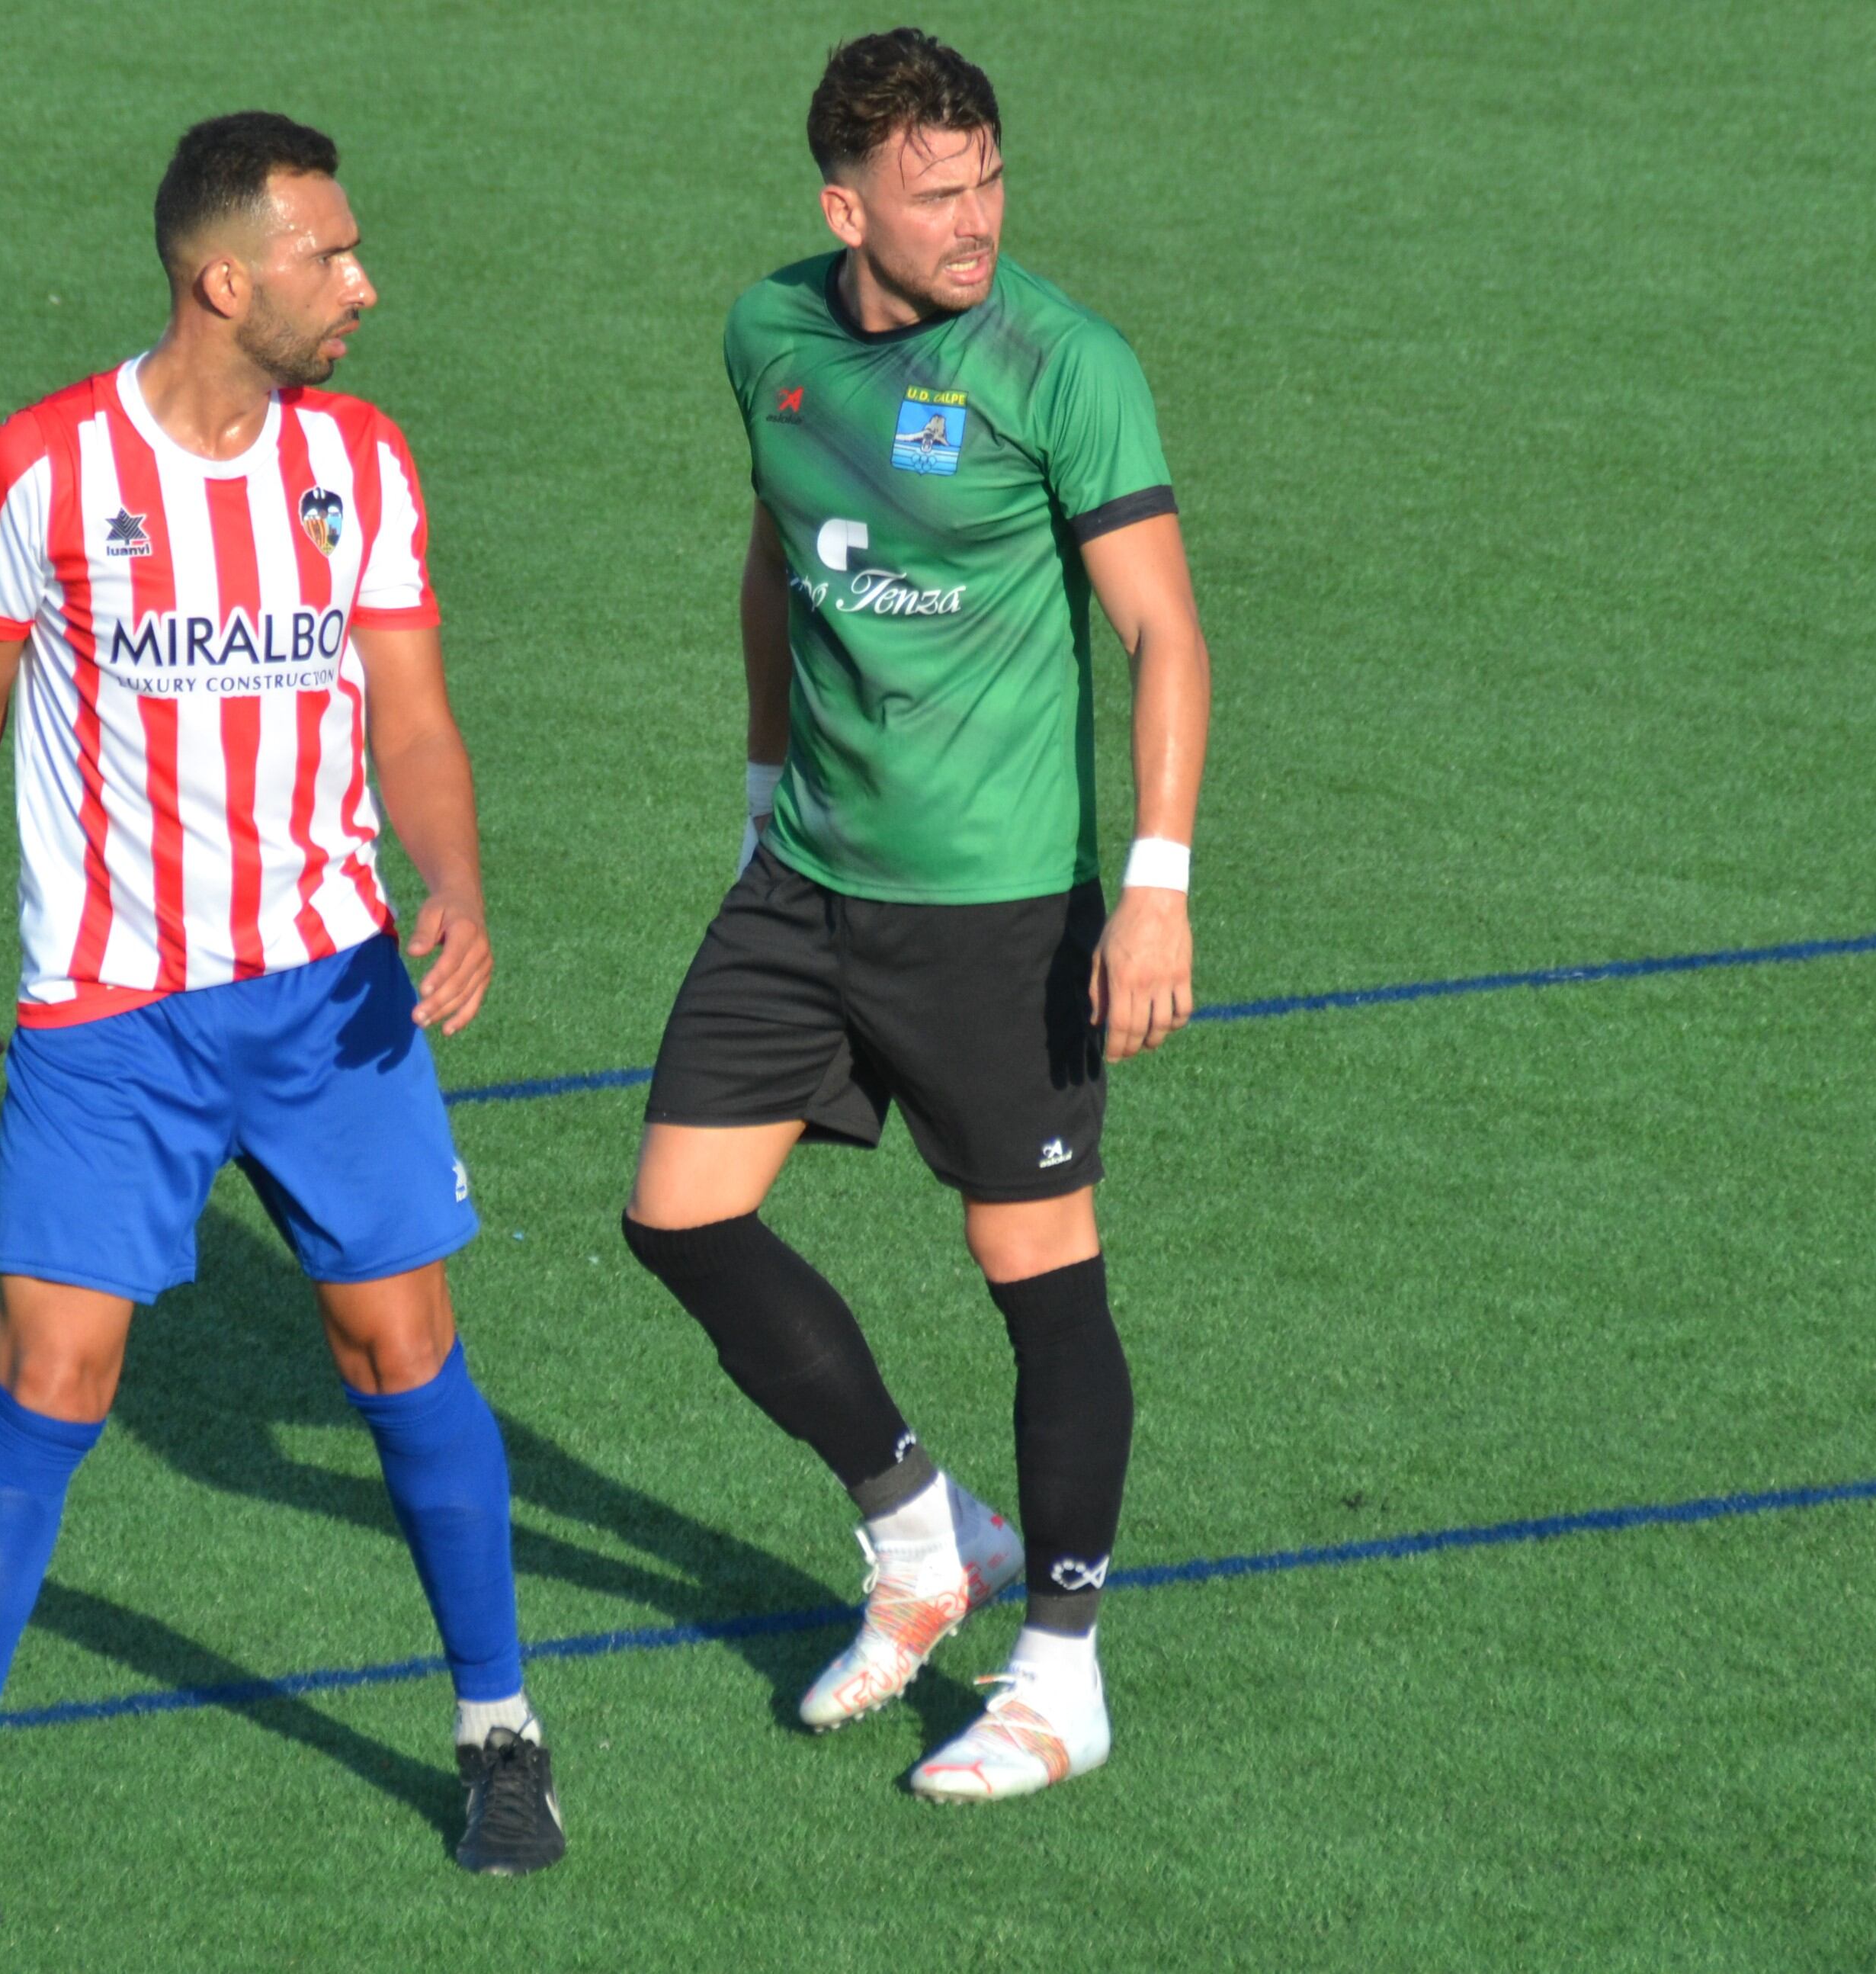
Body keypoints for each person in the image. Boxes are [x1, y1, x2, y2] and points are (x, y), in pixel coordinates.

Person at [0, 111, 564, 1927]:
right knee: (49, 1371)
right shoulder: (37, 470)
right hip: (111, 1017)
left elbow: (410, 715)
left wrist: (455, 882)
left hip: (330, 987)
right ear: (220, 277)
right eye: (331, 255)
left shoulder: (361, 463)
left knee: (403, 1348)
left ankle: (498, 1729)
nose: (365, 284)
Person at [620, 28, 1212, 1802]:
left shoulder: (1060, 363)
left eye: (989, 180)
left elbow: (1162, 631)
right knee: (676, 1213)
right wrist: (749, 791)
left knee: (1033, 1276)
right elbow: (776, 555)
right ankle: (918, 1531)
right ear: (842, 203)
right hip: (803, 876)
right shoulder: (767, 337)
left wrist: (1157, 882)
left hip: (993, 909)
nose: (972, 218)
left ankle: (1059, 1671)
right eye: (933, 191)